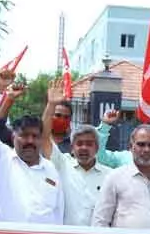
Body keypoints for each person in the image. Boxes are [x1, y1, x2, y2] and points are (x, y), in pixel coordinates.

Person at [0, 69, 63, 224]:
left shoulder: (50, 169)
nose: (30, 141)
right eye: (24, 135)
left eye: (35, 136)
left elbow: (57, 214)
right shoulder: (0, 158)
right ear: (13, 137)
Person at [41, 79, 110, 225]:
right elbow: (44, 137)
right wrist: (51, 105)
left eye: (89, 144)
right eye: (79, 144)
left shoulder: (110, 175)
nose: (84, 148)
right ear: (72, 147)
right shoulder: (62, 164)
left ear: (97, 148)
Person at [92, 125, 150, 230]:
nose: (146, 149)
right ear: (131, 147)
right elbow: (100, 221)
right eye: (141, 144)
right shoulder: (115, 178)